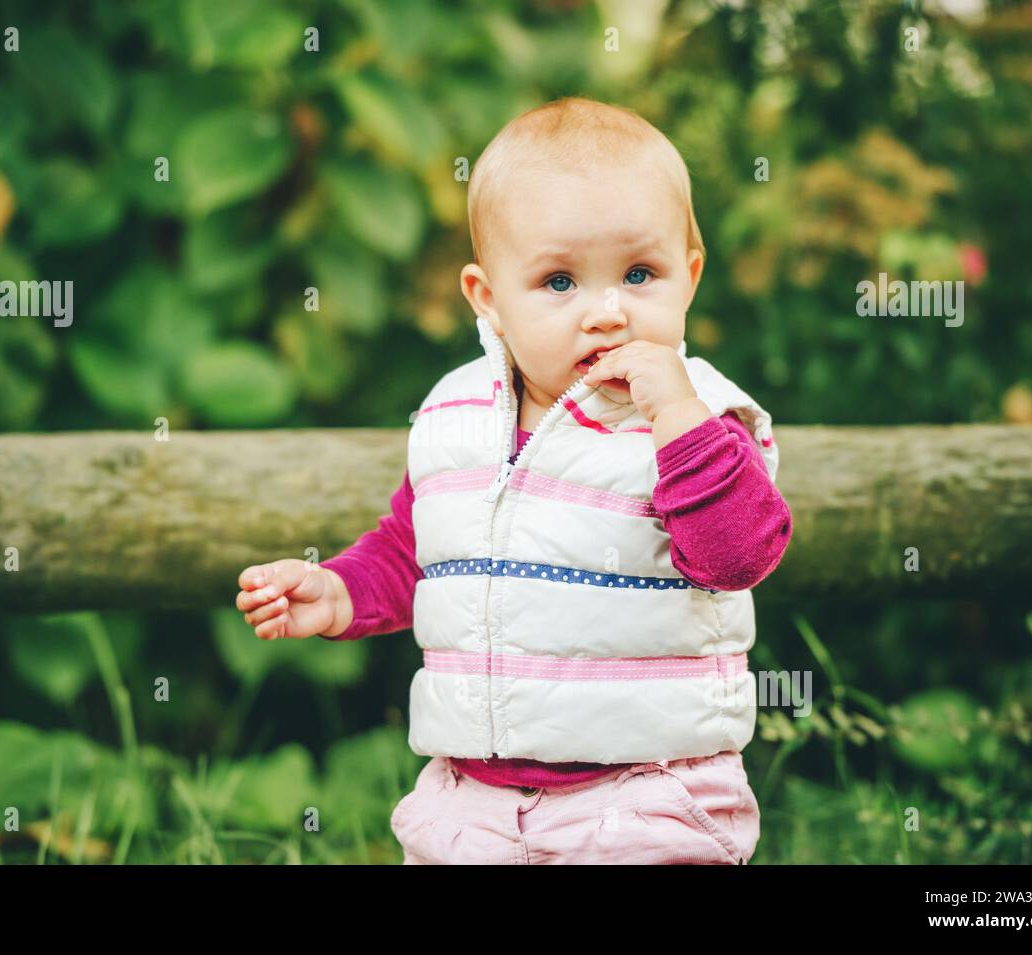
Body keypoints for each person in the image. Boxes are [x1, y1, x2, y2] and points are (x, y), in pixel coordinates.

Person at [238, 96, 792, 864]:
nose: (607, 312)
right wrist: (338, 591)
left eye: (639, 274)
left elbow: (737, 557)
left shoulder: (697, 421)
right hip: (473, 801)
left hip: (648, 794)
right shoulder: (456, 416)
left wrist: (679, 419)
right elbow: (419, 551)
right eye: (559, 282)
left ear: (689, 276)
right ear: (489, 299)